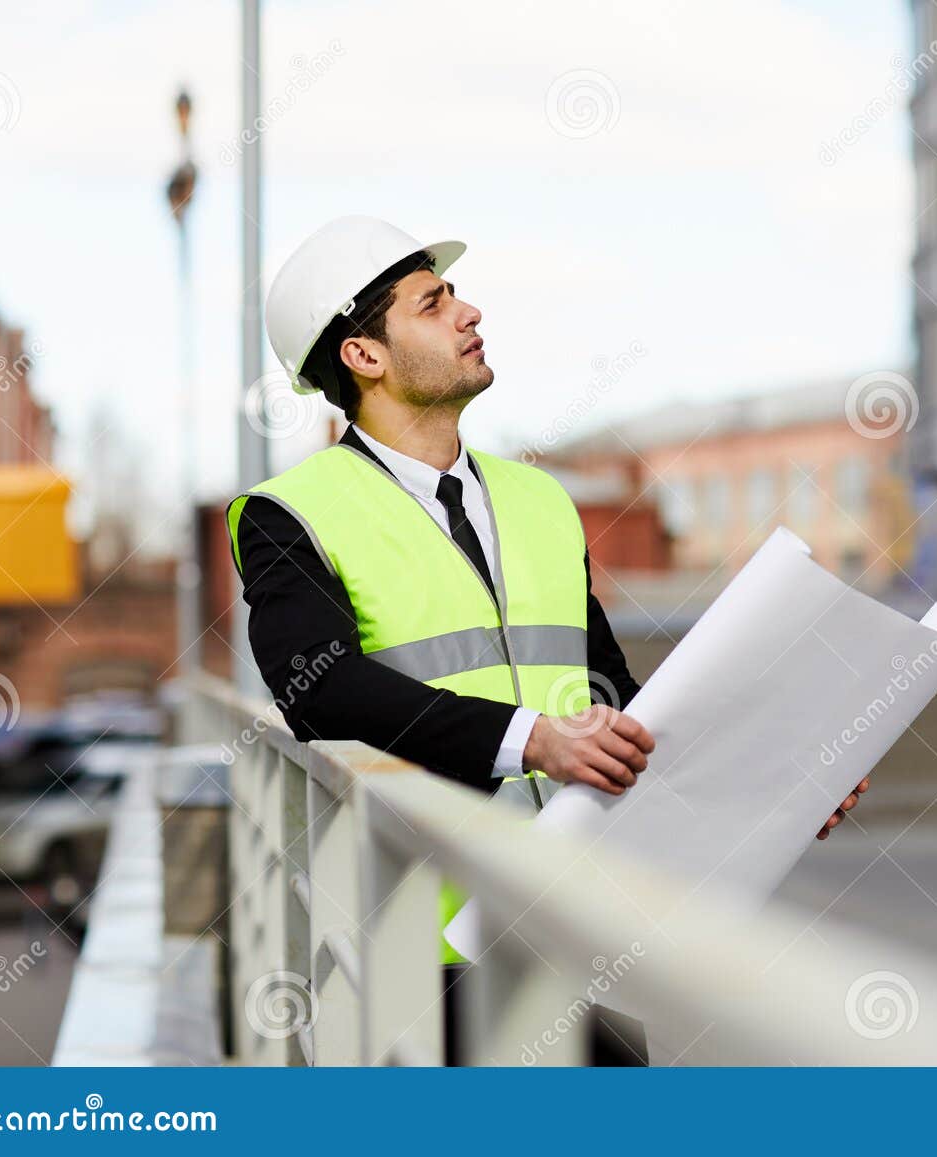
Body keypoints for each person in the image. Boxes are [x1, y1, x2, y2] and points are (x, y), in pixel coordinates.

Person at [226, 216, 868, 1060]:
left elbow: (612, 699)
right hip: (425, 937)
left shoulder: (540, 502)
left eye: (454, 294)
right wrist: (533, 741)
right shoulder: (290, 513)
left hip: (574, 910)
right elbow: (321, 691)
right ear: (364, 356)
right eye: (432, 303)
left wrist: (773, 779)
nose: (469, 313)